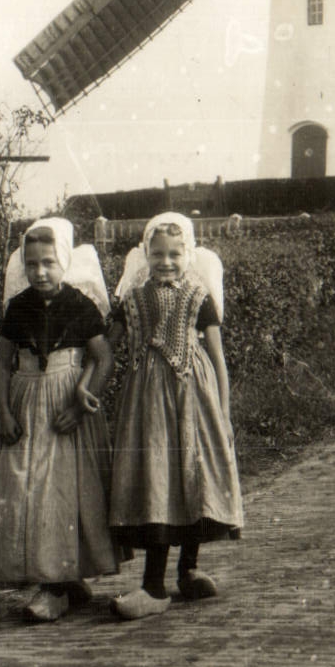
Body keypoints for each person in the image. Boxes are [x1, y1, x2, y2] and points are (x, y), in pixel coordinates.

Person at [0, 217, 118, 622]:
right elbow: (2, 364)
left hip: (66, 404)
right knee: (31, 490)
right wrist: (4, 412)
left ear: (63, 261)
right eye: (31, 264)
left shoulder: (80, 305)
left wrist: (81, 405)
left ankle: (60, 583)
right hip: (28, 402)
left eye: (48, 263)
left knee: (67, 491)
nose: (40, 272)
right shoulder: (19, 307)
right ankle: (57, 581)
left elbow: (103, 358)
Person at [108, 211, 243, 621]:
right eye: (158, 254)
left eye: (175, 254)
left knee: (191, 472)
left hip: (194, 396)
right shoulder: (132, 298)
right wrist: (86, 386)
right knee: (157, 477)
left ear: (189, 255)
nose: (166, 262)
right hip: (147, 400)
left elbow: (218, 358)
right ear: (146, 254)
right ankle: (153, 585)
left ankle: (188, 569)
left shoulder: (199, 297)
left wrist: (224, 412)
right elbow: (107, 347)